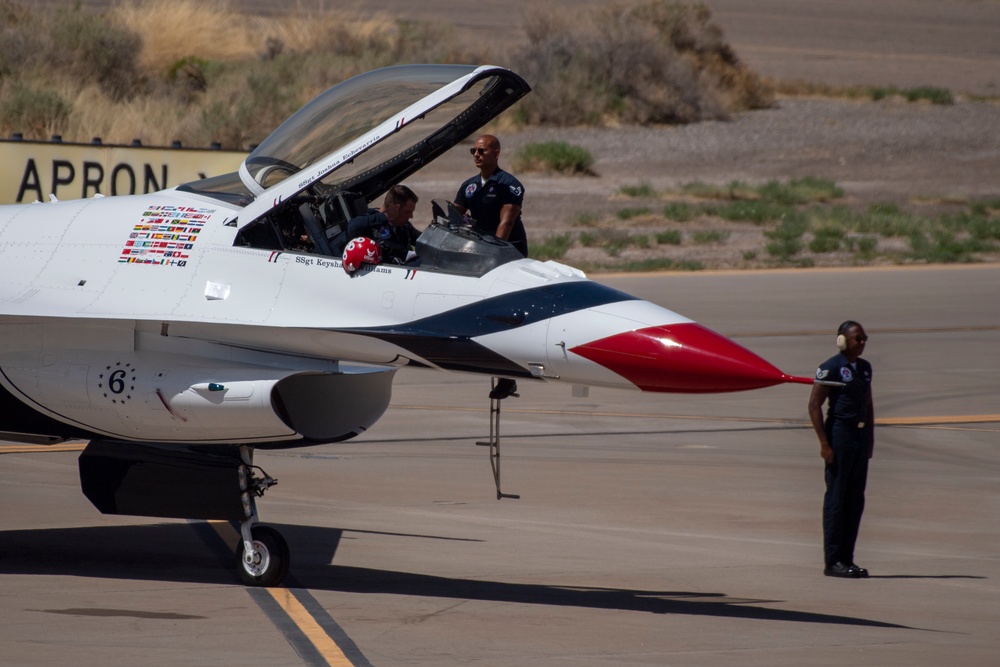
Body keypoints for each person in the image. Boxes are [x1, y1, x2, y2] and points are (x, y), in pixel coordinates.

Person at [808, 320, 875, 579]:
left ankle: (848, 559)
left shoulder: (865, 369)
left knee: (855, 499)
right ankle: (833, 560)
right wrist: (824, 444)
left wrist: (870, 439)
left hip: (859, 436)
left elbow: (868, 404)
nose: (862, 342)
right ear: (842, 341)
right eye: (857, 338)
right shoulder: (830, 368)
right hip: (840, 435)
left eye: (864, 338)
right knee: (836, 499)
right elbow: (814, 406)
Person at [453, 134, 528, 257]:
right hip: (480, 246)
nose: (476, 154)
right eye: (473, 151)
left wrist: (494, 252)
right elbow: (455, 215)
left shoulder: (508, 184)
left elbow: (507, 222)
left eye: (481, 151)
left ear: (496, 154)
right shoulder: (468, 185)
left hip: (508, 249)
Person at [346, 184, 421, 264]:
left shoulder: (403, 225)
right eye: (408, 212)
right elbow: (352, 226)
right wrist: (385, 216)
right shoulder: (371, 222)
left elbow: (421, 239)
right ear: (394, 209)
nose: (411, 216)